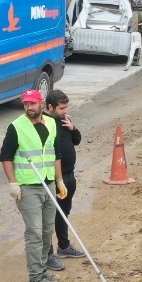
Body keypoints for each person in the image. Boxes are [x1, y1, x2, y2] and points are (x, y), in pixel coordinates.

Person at [0, 89, 67, 282]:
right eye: (26, 104)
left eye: (33, 104)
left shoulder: (52, 124)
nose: (29, 107)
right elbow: (6, 157)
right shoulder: (16, 127)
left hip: (48, 184)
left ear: (40, 104)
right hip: (27, 187)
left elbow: (55, 154)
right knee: (35, 232)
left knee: (47, 229)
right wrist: (13, 183)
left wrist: (60, 181)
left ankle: (43, 268)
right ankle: (36, 278)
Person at [44, 89, 86, 266]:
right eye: (62, 108)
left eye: (66, 107)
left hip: (69, 176)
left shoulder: (63, 121)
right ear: (50, 107)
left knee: (63, 212)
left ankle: (64, 246)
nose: (65, 111)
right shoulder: (44, 124)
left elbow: (76, 140)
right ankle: (48, 254)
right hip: (52, 179)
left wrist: (72, 128)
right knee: (47, 217)